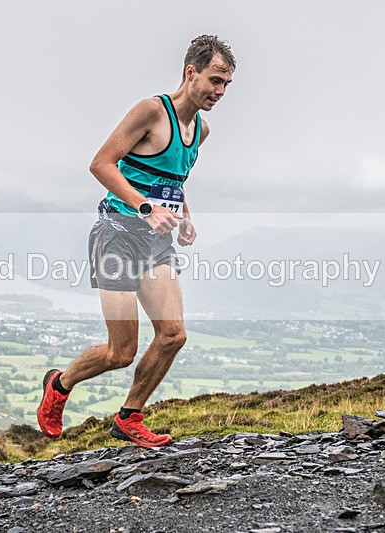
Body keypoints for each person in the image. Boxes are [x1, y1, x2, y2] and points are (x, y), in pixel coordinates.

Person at [37, 35, 236, 448]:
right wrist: (146, 208)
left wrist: (185, 216)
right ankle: (60, 384)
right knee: (121, 352)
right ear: (191, 72)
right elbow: (101, 164)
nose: (220, 92)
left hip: (157, 242)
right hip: (118, 235)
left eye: (226, 85)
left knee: (173, 335)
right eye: (215, 80)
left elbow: (173, 180)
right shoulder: (151, 111)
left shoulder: (201, 130)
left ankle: (129, 417)